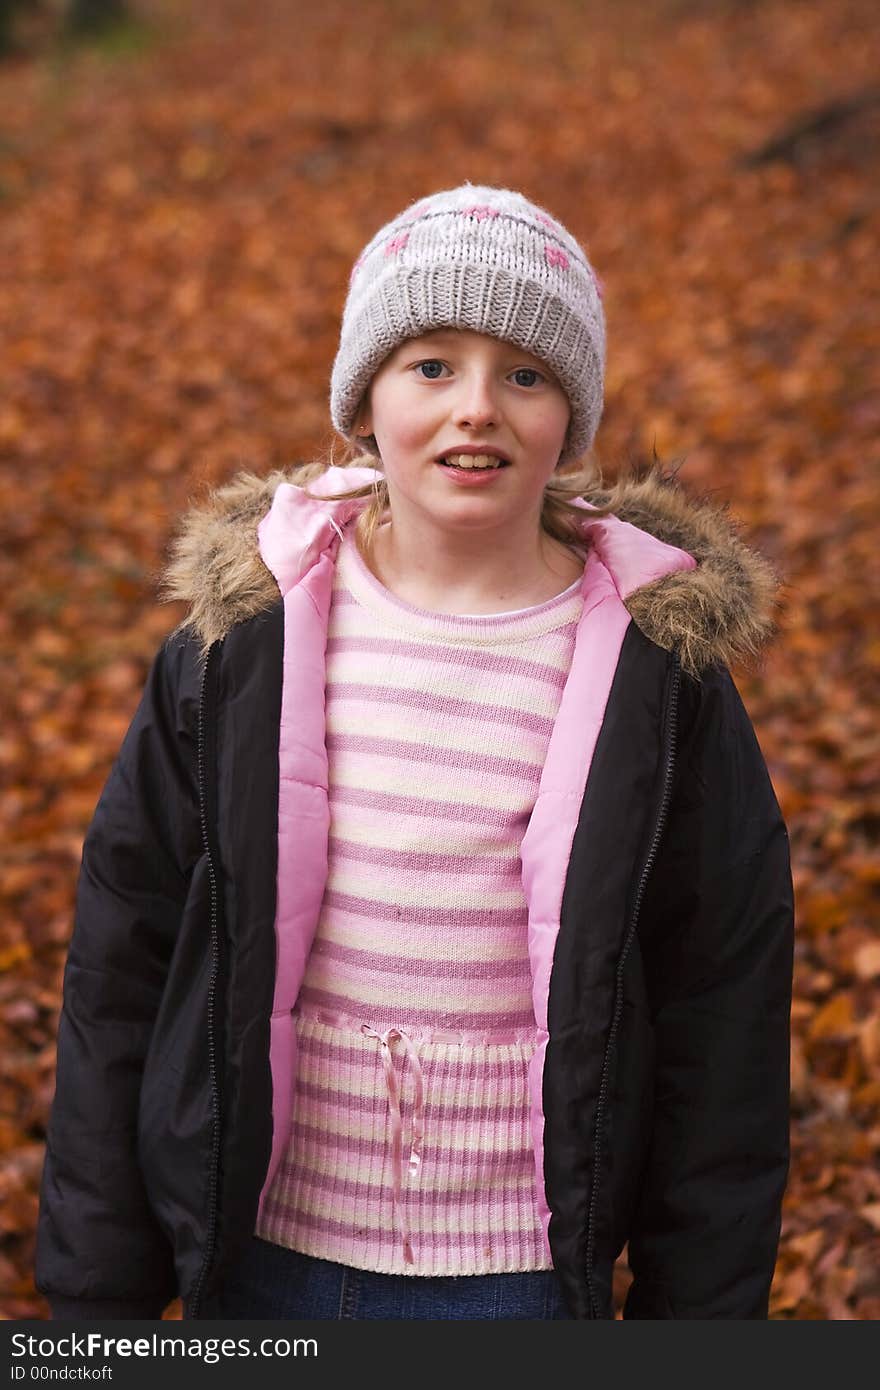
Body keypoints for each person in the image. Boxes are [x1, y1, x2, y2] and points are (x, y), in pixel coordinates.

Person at [35, 184, 794, 1321]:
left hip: (519, 1264)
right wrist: (99, 1288)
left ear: (570, 415)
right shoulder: (243, 644)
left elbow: (722, 997)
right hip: (264, 1240)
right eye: (430, 366)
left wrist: (698, 1309)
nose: (475, 409)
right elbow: (122, 953)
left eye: (525, 374)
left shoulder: (654, 671)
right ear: (365, 400)